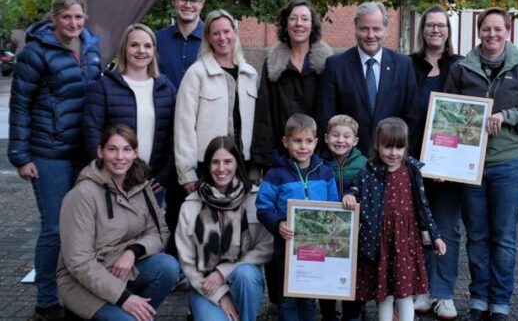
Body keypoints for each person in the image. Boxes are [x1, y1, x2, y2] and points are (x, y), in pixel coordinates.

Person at [443, 7, 518, 321]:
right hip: (470, 167)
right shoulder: (462, 69)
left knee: (503, 237)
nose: (492, 35)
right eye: (486, 29)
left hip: (509, 165)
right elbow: (447, 114)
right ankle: (478, 300)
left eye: (497, 29)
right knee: (476, 236)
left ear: (508, 31)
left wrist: (509, 116)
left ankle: (500, 302)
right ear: (479, 32)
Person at [8, 0, 102, 320]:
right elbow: (20, 103)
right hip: (48, 153)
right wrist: (20, 154)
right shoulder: (36, 52)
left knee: (81, 230)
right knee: (54, 228)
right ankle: (46, 301)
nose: (73, 23)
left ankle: (74, 294)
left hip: (82, 151)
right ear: (54, 18)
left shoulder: (91, 47)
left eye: (78, 16)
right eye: (66, 17)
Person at [57, 124, 180, 321]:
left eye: (127, 149)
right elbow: (78, 262)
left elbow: (160, 232)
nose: (120, 157)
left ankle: (137, 315)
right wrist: (124, 299)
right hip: (82, 281)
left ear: (135, 153)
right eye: (112, 149)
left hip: (120, 268)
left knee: (168, 267)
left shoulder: (140, 185)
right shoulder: (82, 195)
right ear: (100, 152)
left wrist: (133, 251)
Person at [342, 117, 446, 321]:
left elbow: (424, 208)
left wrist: (436, 236)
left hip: (406, 243)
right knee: (384, 295)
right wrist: (350, 196)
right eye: (388, 147)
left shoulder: (413, 170)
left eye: (399, 147)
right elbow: (355, 189)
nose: (393, 153)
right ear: (376, 145)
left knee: (405, 293)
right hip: (380, 243)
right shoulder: (369, 172)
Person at [176, 136, 274, 321]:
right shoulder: (190, 205)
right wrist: (221, 295)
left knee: (246, 273)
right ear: (207, 165)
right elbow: (187, 261)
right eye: (215, 162)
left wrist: (223, 272)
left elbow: (266, 247)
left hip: (243, 284)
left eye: (228, 161)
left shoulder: (254, 199)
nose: (221, 168)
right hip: (206, 288)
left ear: (237, 163)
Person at [255, 114, 339, 321]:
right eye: (297, 141)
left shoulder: (325, 173)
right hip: (286, 247)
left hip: (316, 247)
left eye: (308, 141)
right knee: (288, 298)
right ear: (286, 142)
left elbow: (334, 206)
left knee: (309, 296)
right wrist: (277, 224)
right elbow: (263, 207)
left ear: (316, 142)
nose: (303, 147)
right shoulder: (275, 174)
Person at [408, 5, 463, 320]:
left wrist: (451, 162)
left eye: (441, 26)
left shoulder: (460, 65)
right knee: (417, 228)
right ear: (423, 30)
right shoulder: (407, 65)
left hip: (449, 163)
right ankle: (422, 289)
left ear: (448, 31)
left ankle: (443, 294)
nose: (436, 31)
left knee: (446, 228)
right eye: (430, 25)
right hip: (413, 161)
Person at [83, 24, 176, 208]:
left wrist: (164, 175)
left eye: (147, 46)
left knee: (150, 235)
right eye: (134, 45)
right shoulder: (104, 87)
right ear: (124, 48)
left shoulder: (166, 88)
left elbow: (174, 137)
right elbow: (91, 132)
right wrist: (107, 173)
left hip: (152, 184)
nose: (141, 51)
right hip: (113, 182)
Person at [317, 1, 419, 155]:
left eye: (376, 29)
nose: (370, 35)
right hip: (348, 162)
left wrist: (400, 154)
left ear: (385, 30)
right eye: (364, 29)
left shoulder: (403, 65)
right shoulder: (336, 65)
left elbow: (412, 117)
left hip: (391, 160)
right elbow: (326, 116)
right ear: (355, 28)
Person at [174, 9, 258, 194]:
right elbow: (184, 125)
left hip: (243, 165)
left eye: (226, 31)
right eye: (216, 33)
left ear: (235, 33)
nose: (222, 37)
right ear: (209, 38)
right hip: (207, 165)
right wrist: (187, 173)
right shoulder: (196, 73)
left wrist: (255, 168)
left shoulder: (250, 74)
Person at [252, 0, 333, 173]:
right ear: (285, 24)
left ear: (313, 25)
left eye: (305, 19)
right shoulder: (272, 65)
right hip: (281, 159)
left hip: (318, 159)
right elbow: (264, 113)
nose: (299, 24)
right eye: (293, 18)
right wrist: (264, 158)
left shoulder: (328, 65)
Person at [318, 114, 368, 321]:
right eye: (335, 135)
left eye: (346, 136)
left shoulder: (364, 164)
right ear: (326, 137)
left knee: (354, 274)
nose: (340, 140)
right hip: (326, 231)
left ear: (355, 141)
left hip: (356, 231)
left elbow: (369, 194)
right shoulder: (318, 163)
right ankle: (328, 314)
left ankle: (352, 314)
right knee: (325, 271)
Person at [156, 0, 205, 88]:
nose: (188, 5)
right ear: (173, 1)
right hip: (165, 105)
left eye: (193, 0)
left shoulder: (214, 39)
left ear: (201, 4)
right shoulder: (157, 40)